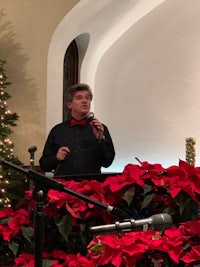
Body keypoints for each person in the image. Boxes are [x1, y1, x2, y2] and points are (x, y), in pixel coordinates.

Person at [39, 83, 115, 178]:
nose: (84, 101)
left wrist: (100, 140)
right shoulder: (57, 130)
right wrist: (56, 158)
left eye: (87, 98)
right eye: (79, 98)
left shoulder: (100, 128)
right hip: (64, 187)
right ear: (69, 104)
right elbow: (44, 165)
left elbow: (107, 162)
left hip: (91, 186)